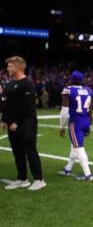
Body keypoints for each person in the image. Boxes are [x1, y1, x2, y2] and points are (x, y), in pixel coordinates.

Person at [2, 56, 45, 191]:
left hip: (27, 123)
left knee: (30, 150)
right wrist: (4, 120)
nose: (7, 68)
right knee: (17, 152)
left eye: (10, 66)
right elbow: (7, 105)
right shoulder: (10, 84)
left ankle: (39, 179)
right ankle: (22, 179)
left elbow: (27, 106)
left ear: (18, 67)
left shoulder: (28, 84)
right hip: (12, 124)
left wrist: (17, 122)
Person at [59, 70, 93, 181]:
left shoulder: (68, 90)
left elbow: (64, 111)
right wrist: (90, 125)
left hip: (76, 123)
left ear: (71, 79)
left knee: (78, 147)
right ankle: (67, 169)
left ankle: (88, 174)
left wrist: (61, 126)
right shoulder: (88, 90)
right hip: (86, 121)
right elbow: (90, 110)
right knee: (74, 145)